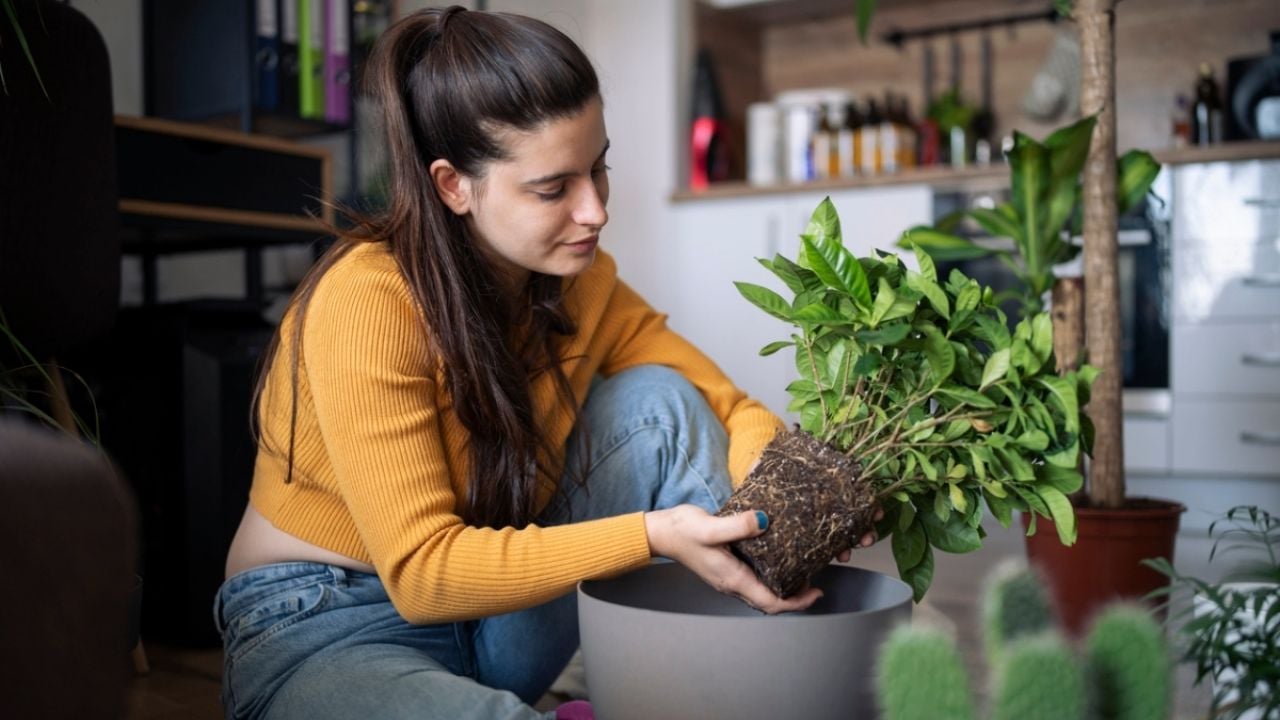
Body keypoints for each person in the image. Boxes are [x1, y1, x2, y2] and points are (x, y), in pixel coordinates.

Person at [214, 7, 874, 720]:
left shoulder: (579, 284)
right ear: (452, 186)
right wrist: (652, 537)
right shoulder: (369, 300)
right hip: (325, 626)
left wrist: (789, 506)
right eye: (554, 188)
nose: (594, 210)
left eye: (599, 168)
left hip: (498, 623)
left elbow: (723, 406)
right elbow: (423, 576)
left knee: (660, 402)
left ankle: (753, 683)